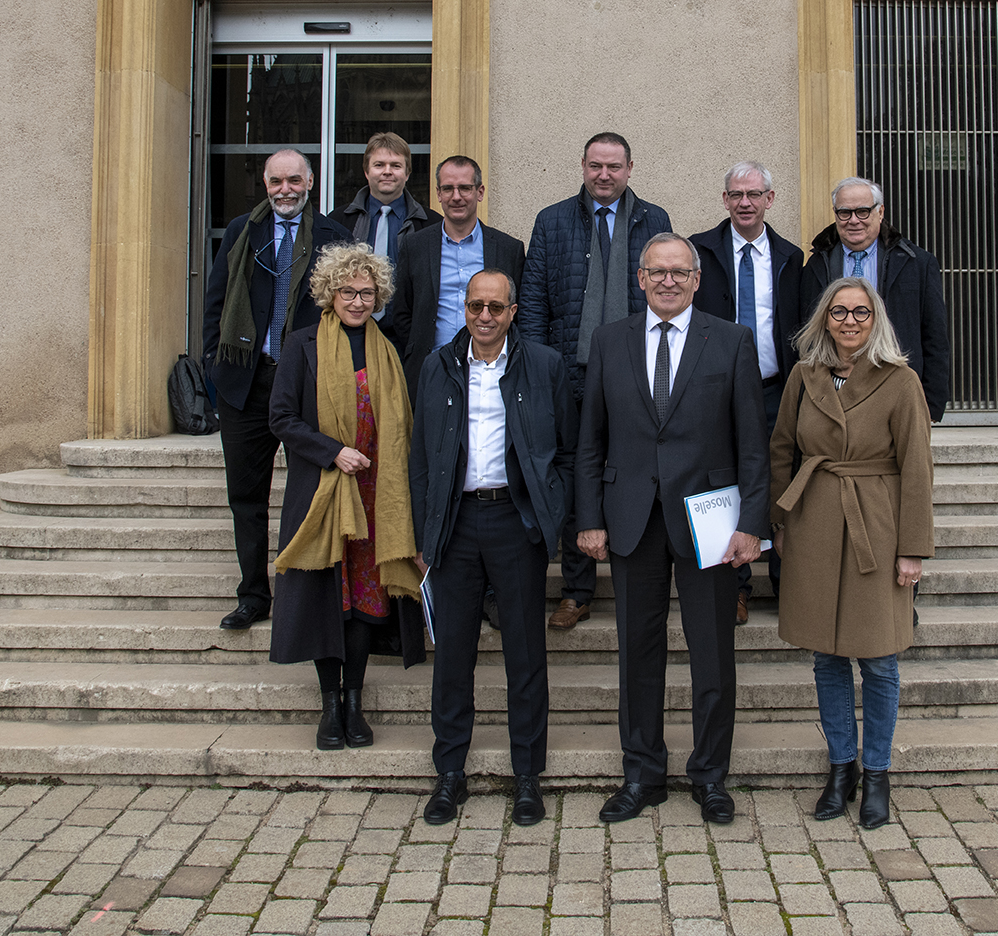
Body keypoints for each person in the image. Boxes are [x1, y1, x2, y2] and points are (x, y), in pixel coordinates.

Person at [574, 233, 769, 824]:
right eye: (656, 272)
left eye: (678, 273)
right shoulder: (609, 341)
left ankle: (710, 776)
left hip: (709, 522)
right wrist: (589, 521)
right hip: (632, 520)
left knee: (712, 653)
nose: (667, 281)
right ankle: (643, 775)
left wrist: (752, 526)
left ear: (696, 279)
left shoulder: (732, 340)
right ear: (639, 278)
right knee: (637, 653)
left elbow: (752, 446)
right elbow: (590, 440)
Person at [410, 270, 574, 828]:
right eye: (476, 306)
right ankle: (449, 772)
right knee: (452, 654)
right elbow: (420, 459)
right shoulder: (437, 366)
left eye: (496, 308)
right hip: (455, 524)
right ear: (465, 308)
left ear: (512, 311)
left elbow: (566, 451)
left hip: (514, 520)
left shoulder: (545, 365)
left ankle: (527, 776)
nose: (485, 316)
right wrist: (422, 535)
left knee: (525, 653)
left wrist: (552, 515)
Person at [769, 277, 933, 830]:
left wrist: (912, 549)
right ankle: (841, 768)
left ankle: (878, 772)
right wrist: (781, 521)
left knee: (880, 659)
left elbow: (916, 467)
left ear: (875, 318)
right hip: (815, 520)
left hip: (877, 526)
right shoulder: (803, 375)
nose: (848, 322)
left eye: (860, 313)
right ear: (824, 318)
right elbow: (782, 450)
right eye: (838, 312)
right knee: (826, 656)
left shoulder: (901, 380)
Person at [267, 243, 426, 750]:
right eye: (347, 291)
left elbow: (402, 422)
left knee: (363, 601)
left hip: (379, 495)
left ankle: (354, 701)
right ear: (328, 293)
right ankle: (329, 705)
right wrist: (333, 451)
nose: (358, 301)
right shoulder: (303, 344)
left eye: (366, 291)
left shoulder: (388, 347)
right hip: (324, 494)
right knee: (326, 598)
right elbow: (282, 418)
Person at [519, 132, 672, 631]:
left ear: (631, 168)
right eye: (595, 166)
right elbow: (535, 299)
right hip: (569, 371)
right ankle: (577, 589)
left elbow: (664, 294)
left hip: (633, 374)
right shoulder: (552, 220)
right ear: (582, 166)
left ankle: (639, 582)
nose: (604, 175)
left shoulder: (655, 221)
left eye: (614, 166)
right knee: (573, 476)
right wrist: (542, 367)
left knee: (633, 472)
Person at [201, 149, 349, 632]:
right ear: (265, 183)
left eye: (293, 180)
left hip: (307, 383)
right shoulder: (244, 231)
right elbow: (216, 303)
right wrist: (215, 366)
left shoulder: (333, 237)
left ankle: (304, 594)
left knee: (309, 493)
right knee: (246, 495)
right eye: (275, 181)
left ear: (310, 182)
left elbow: (345, 312)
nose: (284, 189)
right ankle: (252, 595)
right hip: (246, 380)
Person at [690, 161, 804, 625]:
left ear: (769, 200)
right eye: (736, 195)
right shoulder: (700, 251)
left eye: (753, 195)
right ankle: (734, 587)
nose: (745, 203)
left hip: (776, 390)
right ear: (725, 200)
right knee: (727, 482)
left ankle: (785, 583)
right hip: (720, 391)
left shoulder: (791, 256)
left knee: (780, 484)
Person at [800, 177, 951, 421]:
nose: (854, 220)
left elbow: (935, 337)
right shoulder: (817, 266)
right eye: (845, 212)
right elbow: (806, 333)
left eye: (862, 211)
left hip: (897, 392)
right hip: (835, 396)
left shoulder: (917, 264)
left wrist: (930, 406)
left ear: (880, 212)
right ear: (835, 214)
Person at [384, 155, 525, 381]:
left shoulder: (509, 249)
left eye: (465, 188)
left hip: (491, 369)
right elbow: (402, 312)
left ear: (480, 192)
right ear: (438, 194)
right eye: (448, 188)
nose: (456, 197)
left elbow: (516, 314)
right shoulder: (415, 246)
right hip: (430, 368)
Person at [339, 130, 432, 270]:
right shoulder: (339, 221)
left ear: (407, 174)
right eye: (379, 165)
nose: (387, 171)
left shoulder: (431, 224)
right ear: (366, 172)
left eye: (396, 165)